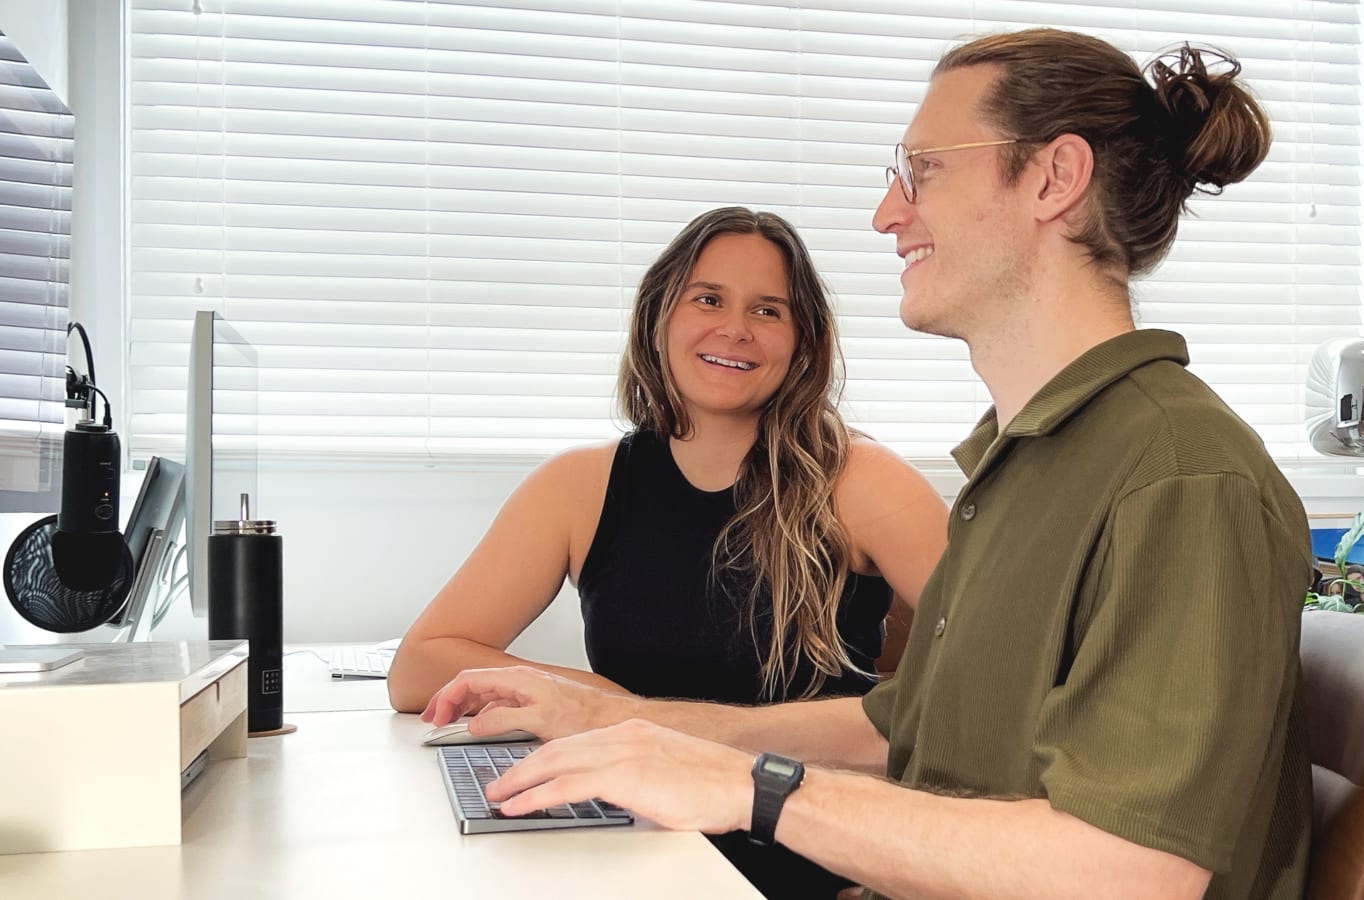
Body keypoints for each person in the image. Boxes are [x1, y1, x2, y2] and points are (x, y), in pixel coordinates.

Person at [421, 29, 1314, 900]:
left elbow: (1134, 875)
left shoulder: (1182, 478)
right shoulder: (1025, 468)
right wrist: (630, 723)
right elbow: (897, 733)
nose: (887, 212)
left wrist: (749, 790)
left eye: (924, 169)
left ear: (1055, 178)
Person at [387, 206, 950, 898]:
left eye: (767, 310)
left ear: (802, 341)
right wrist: (597, 702)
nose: (735, 329)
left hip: (804, 854)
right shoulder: (577, 486)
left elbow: (1009, 682)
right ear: (659, 315)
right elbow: (418, 665)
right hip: (639, 846)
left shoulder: (864, 482)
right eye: (708, 299)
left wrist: (621, 719)